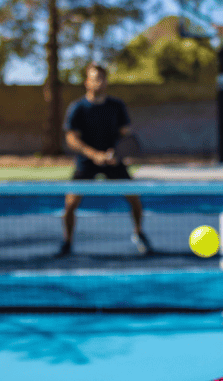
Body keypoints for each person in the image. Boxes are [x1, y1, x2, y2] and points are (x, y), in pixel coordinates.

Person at [58, 62, 152, 256]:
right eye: (94, 78)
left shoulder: (116, 106)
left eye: (102, 78)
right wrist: (94, 155)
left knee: (134, 199)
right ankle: (67, 242)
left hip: (114, 162)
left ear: (106, 81)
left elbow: (127, 135)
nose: (99, 82)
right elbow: (71, 139)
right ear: (87, 82)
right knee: (69, 205)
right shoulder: (78, 108)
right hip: (86, 163)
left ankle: (138, 233)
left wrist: (116, 155)